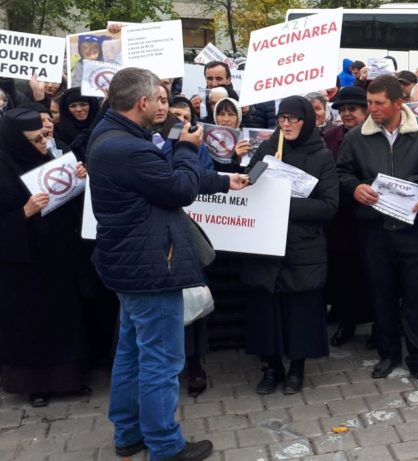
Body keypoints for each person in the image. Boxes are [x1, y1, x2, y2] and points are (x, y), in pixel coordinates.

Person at [89, 67, 248, 461]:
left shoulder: (113, 135)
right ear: (141, 102)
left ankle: (128, 433)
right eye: (157, 99)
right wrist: (188, 148)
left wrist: (224, 181)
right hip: (151, 267)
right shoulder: (129, 148)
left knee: (132, 352)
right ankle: (165, 445)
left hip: (130, 264)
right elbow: (177, 188)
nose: (163, 106)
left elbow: (160, 179)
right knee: (161, 360)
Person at [336, 75, 418, 389]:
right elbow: (341, 172)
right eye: (369, 103)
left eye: (379, 103)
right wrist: (354, 188)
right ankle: (388, 353)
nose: (372, 109)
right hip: (375, 229)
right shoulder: (356, 137)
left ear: (399, 103)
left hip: (414, 229)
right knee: (381, 292)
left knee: (417, 295)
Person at [242, 96, 338, 396]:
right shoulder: (268, 148)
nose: (286, 124)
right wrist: (255, 174)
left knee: (300, 311)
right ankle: (271, 367)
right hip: (266, 244)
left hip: (302, 246)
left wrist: (283, 201)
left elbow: (329, 205)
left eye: (293, 118)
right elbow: (248, 185)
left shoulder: (321, 156)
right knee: (266, 309)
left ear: (306, 121)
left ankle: (297, 368)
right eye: (282, 118)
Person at [0, 108, 90, 408]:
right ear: (17, 140)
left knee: (65, 317)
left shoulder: (49, 156)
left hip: (58, 256)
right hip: (22, 265)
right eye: (35, 140)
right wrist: (23, 214)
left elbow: (67, 200)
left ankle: (69, 378)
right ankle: (35, 384)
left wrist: (79, 180)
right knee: (32, 324)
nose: (43, 143)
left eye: (44, 137)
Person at [324, 85, 374, 347]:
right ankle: (347, 321)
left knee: (374, 274)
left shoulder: (377, 135)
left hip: (372, 214)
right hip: (341, 217)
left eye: (352, 109)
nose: (346, 114)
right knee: (345, 274)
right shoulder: (330, 136)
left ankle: (380, 325)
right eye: (342, 109)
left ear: (366, 111)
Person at [54, 87, 101, 160]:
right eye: (73, 106)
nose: (78, 109)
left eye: (83, 104)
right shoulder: (58, 131)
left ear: (92, 105)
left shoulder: (102, 126)